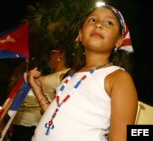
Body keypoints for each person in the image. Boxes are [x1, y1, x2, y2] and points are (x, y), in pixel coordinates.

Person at [28, 5, 138, 141]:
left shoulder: (118, 78)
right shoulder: (71, 75)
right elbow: (56, 117)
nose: (98, 25)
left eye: (109, 23)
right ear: (80, 34)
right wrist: (39, 93)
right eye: (92, 20)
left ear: (118, 41)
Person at [10, 46, 71, 141]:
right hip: (20, 123)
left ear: (61, 55)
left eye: (52, 53)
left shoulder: (67, 74)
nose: (49, 56)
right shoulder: (48, 73)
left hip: (36, 124)